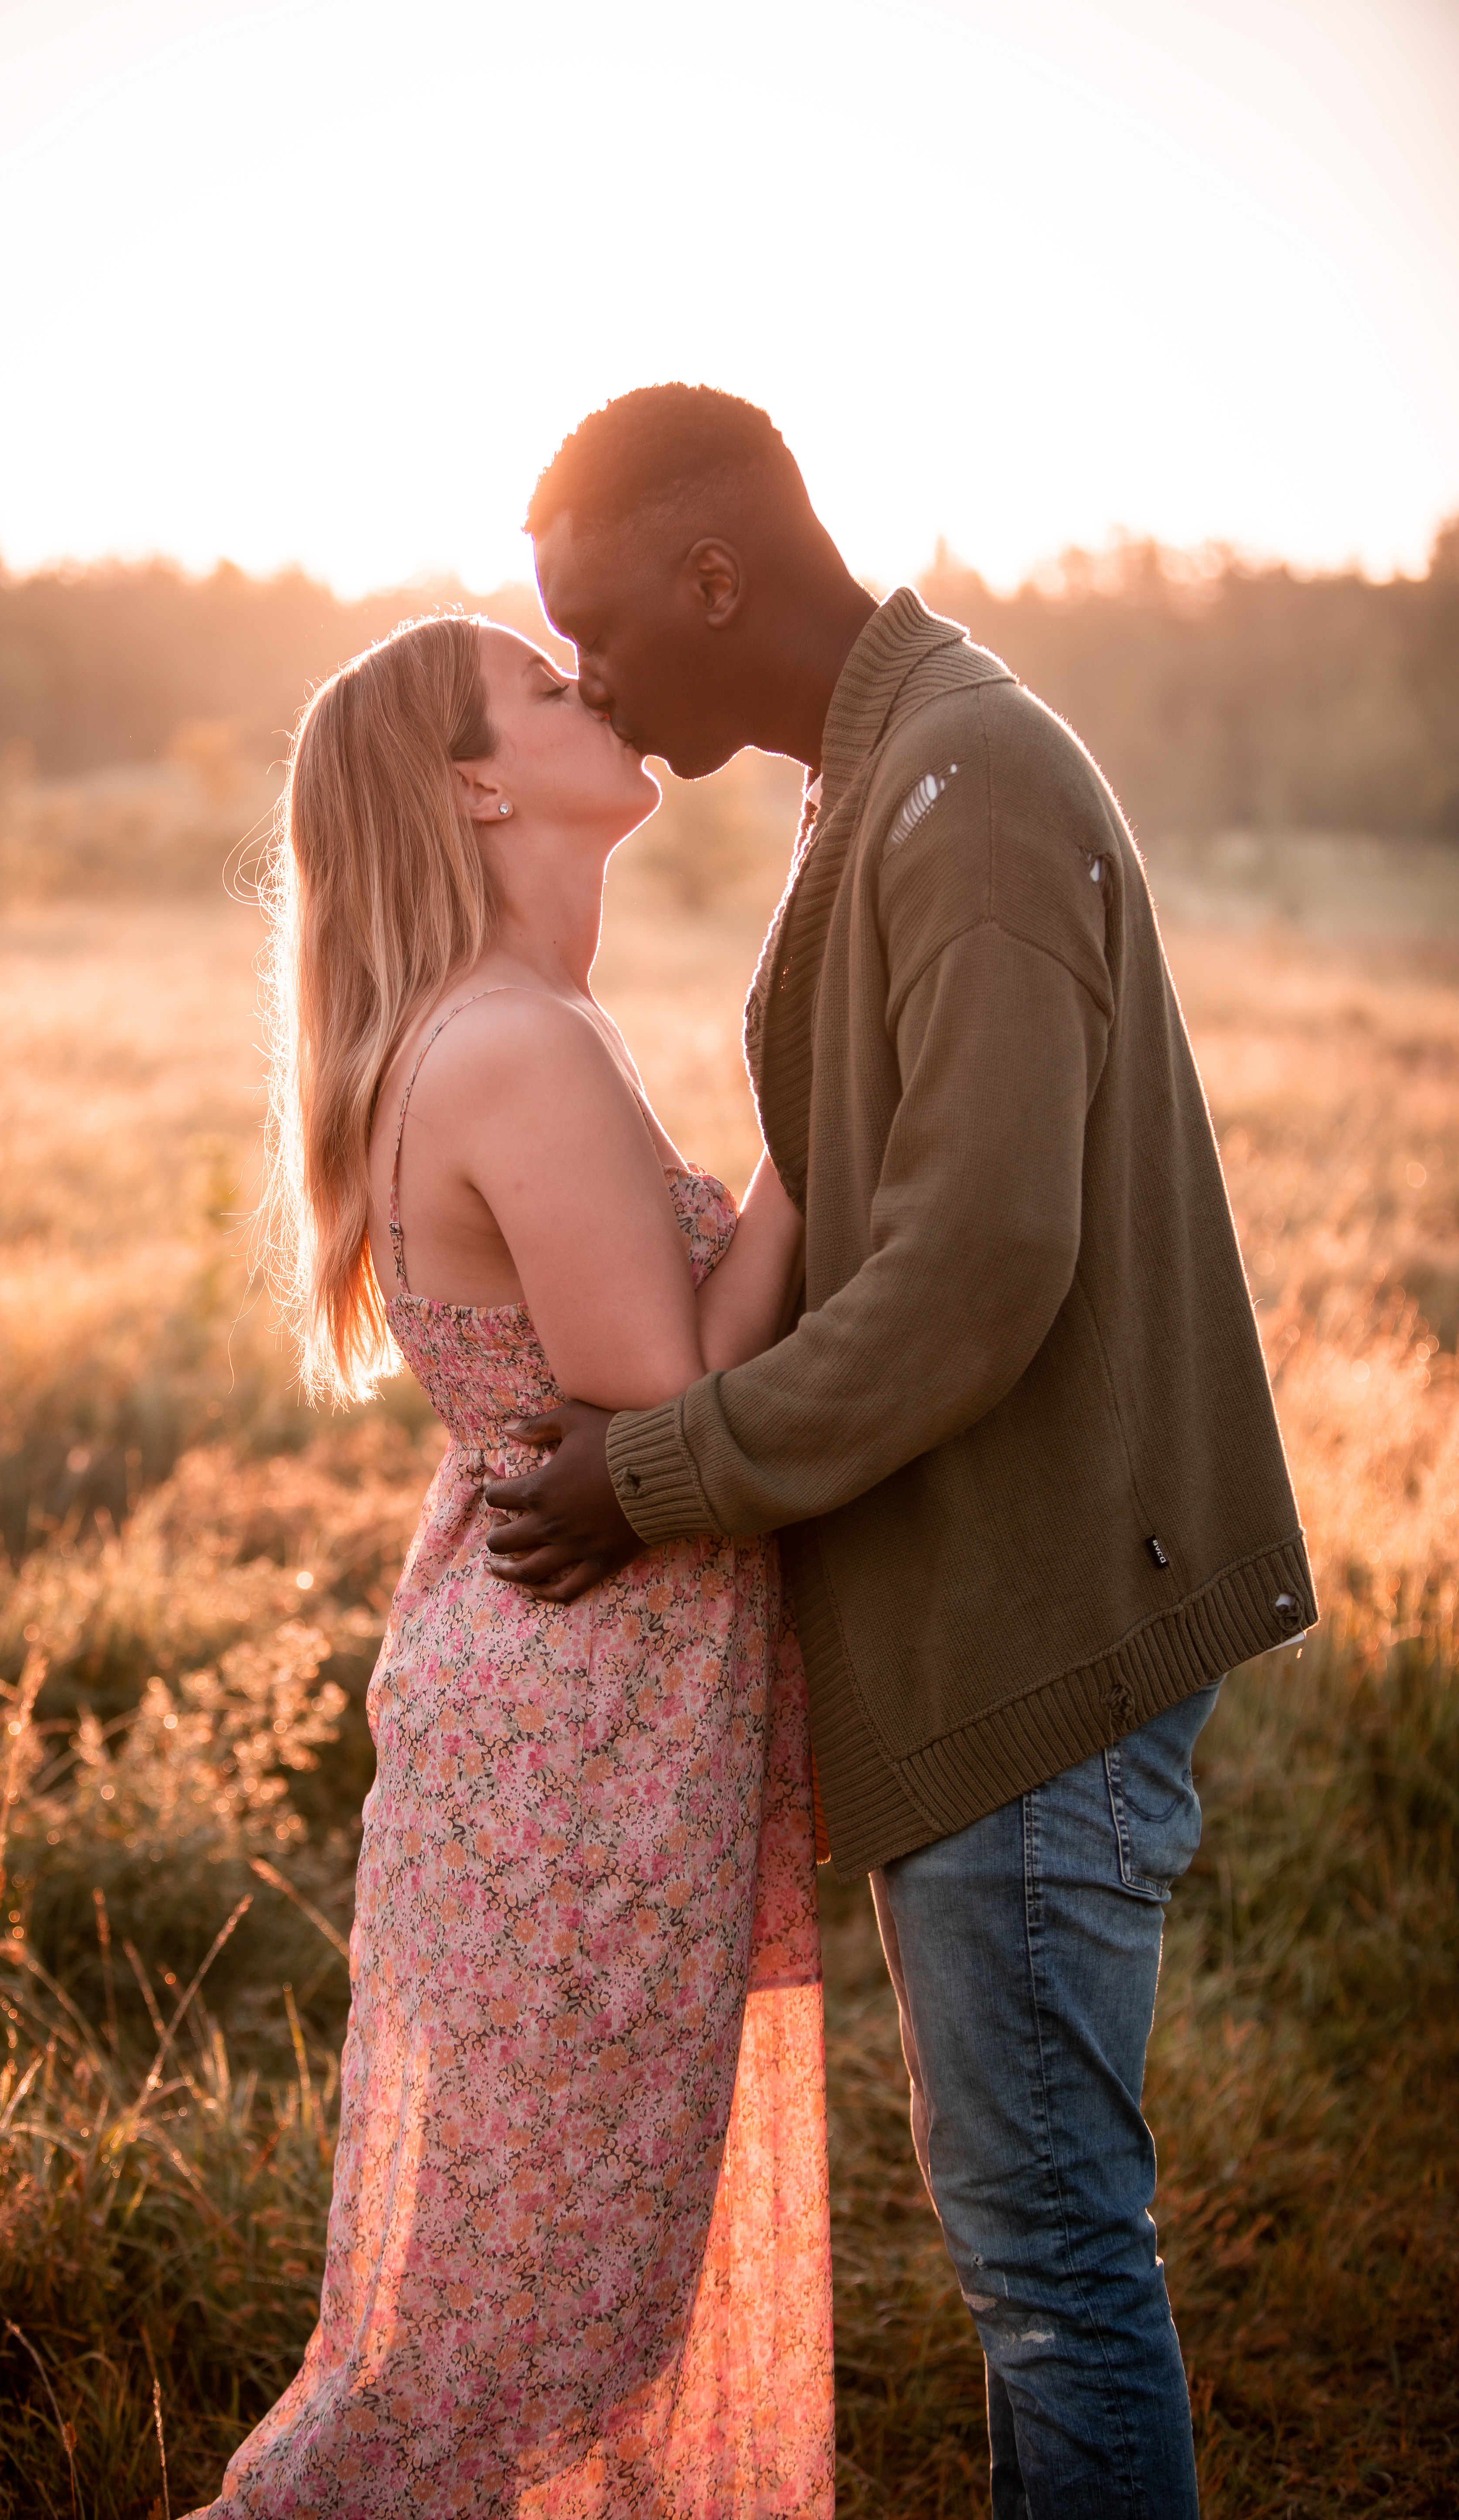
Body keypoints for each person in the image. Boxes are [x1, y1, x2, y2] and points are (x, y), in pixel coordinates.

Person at [484, 384, 1318, 2520]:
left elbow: (973, 1271)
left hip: (1041, 1623)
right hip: (986, 1608)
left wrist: (651, 1476)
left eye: (594, 625)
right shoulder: (885, 771)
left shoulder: (970, 787)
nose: (582, 673)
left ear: (715, 576)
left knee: (1049, 2270)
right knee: (1035, 2249)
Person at [186, 612, 835, 2518]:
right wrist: (815, 1126)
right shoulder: (518, 1041)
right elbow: (676, 1384)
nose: (596, 693)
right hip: (576, 1736)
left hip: (568, 1705)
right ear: (475, 784)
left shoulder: (507, 1024)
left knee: (537, 2308)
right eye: (547, 691)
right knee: (515, 2339)